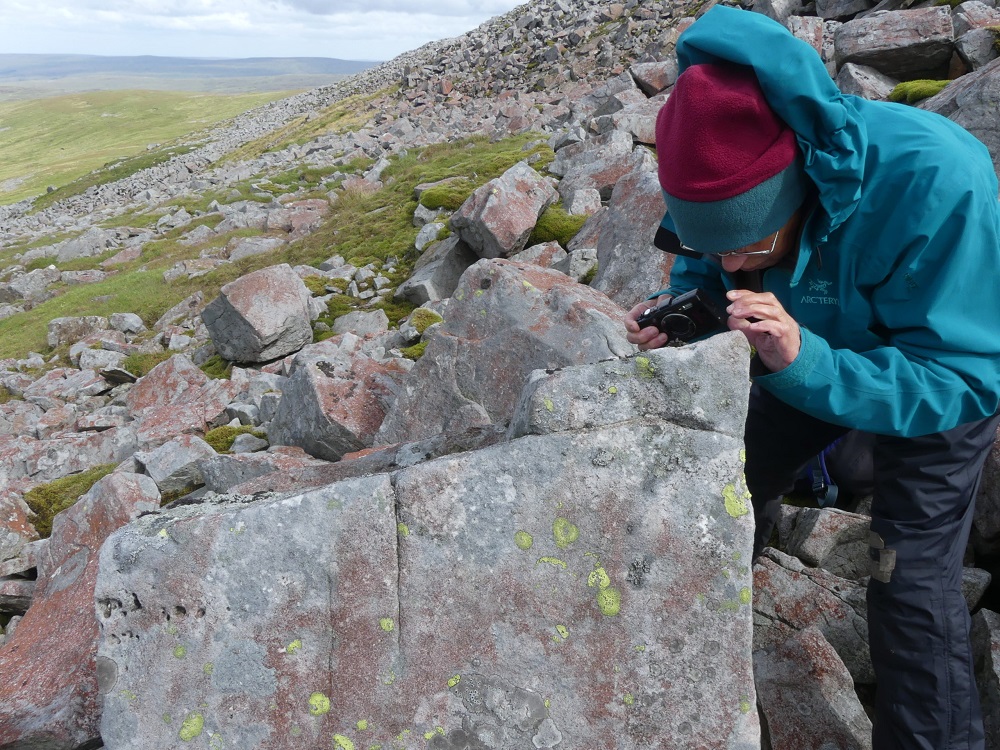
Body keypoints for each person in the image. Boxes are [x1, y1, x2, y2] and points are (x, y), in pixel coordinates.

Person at [624, 6, 1000, 750]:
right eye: (712, 243)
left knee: (909, 584)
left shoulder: (939, 182)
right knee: (725, 485)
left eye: (750, 243)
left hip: (933, 378)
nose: (731, 263)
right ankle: (700, 642)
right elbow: (710, 266)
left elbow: (964, 375)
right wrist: (686, 317)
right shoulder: (713, 171)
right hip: (792, 349)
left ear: (799, 180)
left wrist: (810, 363)